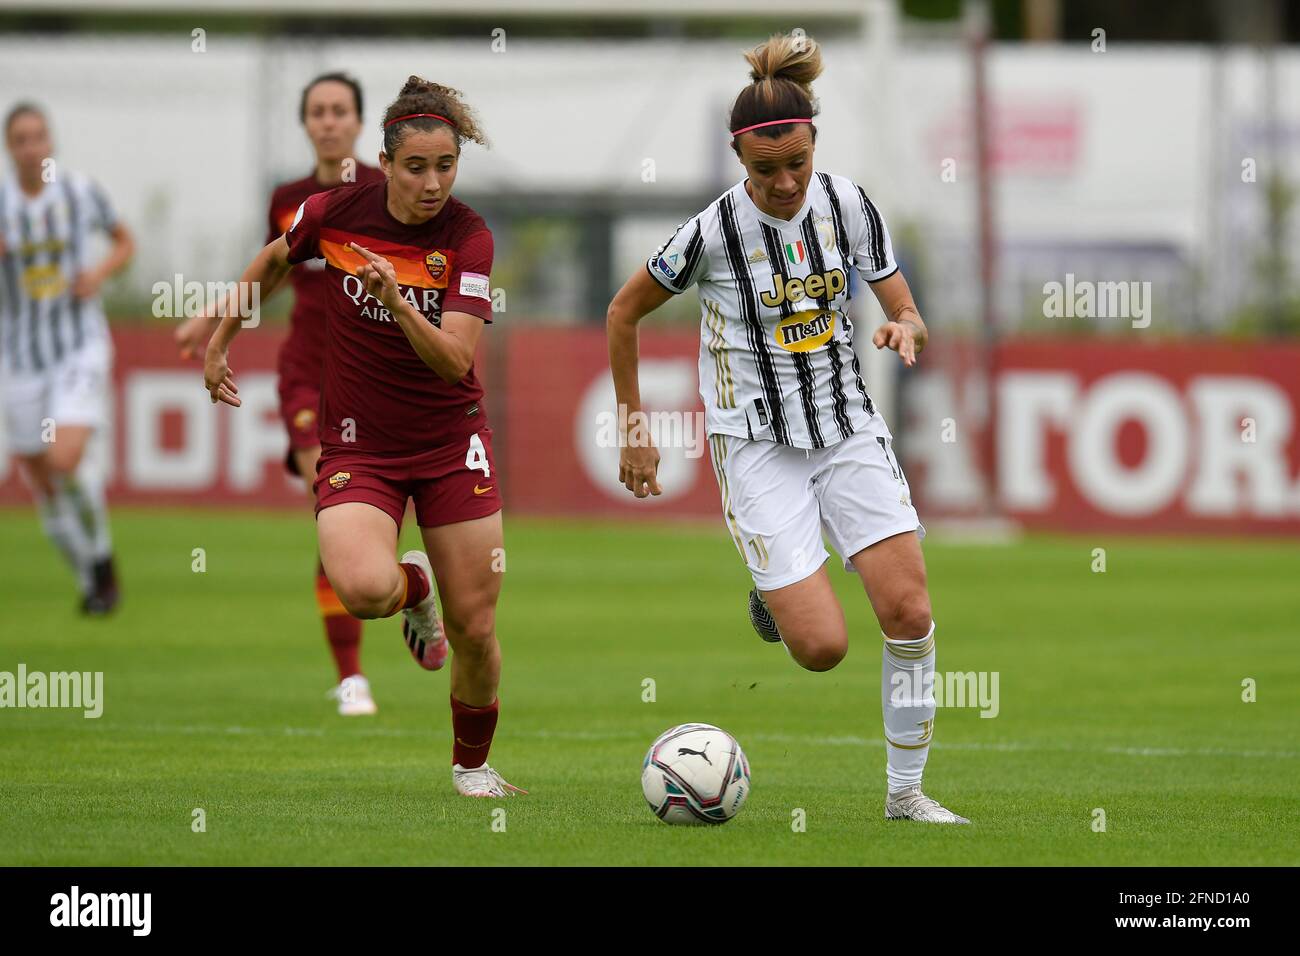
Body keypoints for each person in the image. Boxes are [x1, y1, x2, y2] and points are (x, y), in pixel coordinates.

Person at [606, 34, 968, 824]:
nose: (784, 182)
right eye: (765, 169)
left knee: (909, 612)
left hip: (847, 429)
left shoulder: (848, 204)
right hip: (757, 447)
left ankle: (906, 795)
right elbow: (623, 311)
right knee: (822, 649)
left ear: (813, 144)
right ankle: (774, 595)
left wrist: (905, 325)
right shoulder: (711, 233)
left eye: (796, 163)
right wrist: (633, 426)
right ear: (739, 158)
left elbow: (903, 304)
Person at [202, 76, 523, 798]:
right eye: (416, 167)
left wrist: (399, 304)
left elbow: (455, 360)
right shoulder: (335, 212)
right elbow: (273, 260)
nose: (432, 183)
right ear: (384, 162)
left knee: (475, 628)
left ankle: (472, 768)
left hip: (452, 444)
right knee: (364, 590)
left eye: (446, 166)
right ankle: (416, 586)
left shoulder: (468, 237)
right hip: (360, 445)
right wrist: (220, 342)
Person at [176, 73, 384, 716]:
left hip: (371, 374)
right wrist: (214, 316)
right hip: (306, 371)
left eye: (339, 110)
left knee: (366, 531)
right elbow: (271, 272)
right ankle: (351, 676)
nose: (329, 121)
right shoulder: (289, 199)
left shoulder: (386, 190)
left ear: (358, 122)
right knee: (331, 508)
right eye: (318, 111)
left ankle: (411, 593)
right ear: (306, 123)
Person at [0, 103, 133, 614]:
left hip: (78, 347)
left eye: (38, 137)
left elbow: (124, 242)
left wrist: (98, 275)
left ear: (50, 142)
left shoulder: (79, 192)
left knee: (64, 459)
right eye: (21, 139)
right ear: (10, 148)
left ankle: (99, 559)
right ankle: (93, 576)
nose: (31, 148)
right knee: (44, 484)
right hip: (19, 358)